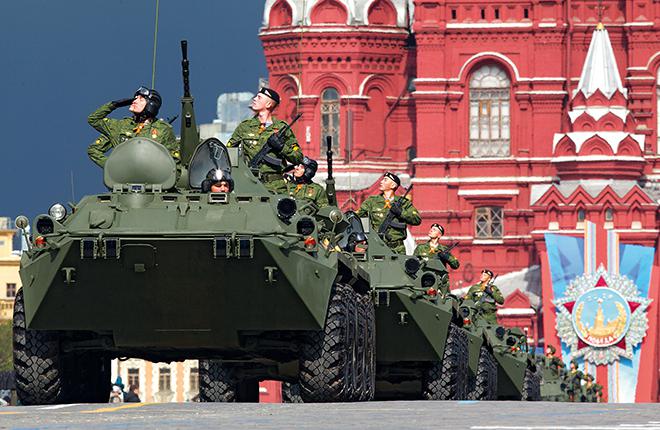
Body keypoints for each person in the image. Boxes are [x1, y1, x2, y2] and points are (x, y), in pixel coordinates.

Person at [227, 87, 303, 192]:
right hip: (249, 184)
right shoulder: (245, 127)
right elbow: (228, 152)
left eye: (259, 97)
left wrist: (281, 147)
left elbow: (298, 157)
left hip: (276, 187)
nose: (254, 99)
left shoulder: (282, 128)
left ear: (268, 105)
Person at [87, 86, 179, 167]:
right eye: (135, 98)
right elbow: (93, 120)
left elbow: (175, 160)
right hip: (126, 180)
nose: (134, 101)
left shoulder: (162, 129)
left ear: (151, 106)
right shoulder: (121, 126)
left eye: (141, 99)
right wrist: (114, 105)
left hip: (152, 179)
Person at [356, 172, 421, 253]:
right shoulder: (372, 201)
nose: (381, 182)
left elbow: (417, 219)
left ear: (393, 185)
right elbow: (357, 217)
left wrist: (401, 213)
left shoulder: (403, 203)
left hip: (397, 249)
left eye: (385, 180)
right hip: (376, 246)